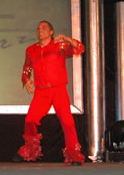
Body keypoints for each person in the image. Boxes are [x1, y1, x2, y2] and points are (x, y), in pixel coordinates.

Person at [13, 21, 86, 165]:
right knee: (30, 120)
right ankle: (29, 151)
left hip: (58, 89)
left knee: (67, 122)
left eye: (44, 28)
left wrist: (66, 38)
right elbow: (26, 69)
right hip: (41, 91)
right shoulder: (31, 49)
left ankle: (74, 155)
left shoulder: (60, 46)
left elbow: (80, 48)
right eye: (38, 28)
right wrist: (26, 80)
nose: (40, 30)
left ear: (51, 32)